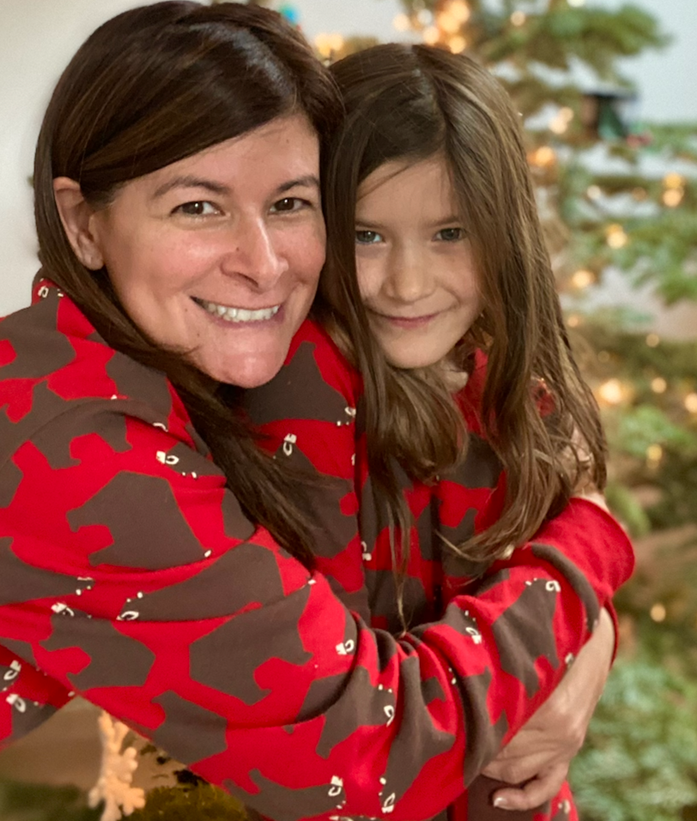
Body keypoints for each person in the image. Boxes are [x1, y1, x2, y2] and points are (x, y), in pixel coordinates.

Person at [0, 2, 633, 819]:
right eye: (197, 206)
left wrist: (590, 634)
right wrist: (591, 546)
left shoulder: (130, 359)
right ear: (83, 224)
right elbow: (368, 757)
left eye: (289, 202)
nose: (262, 264)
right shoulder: (76, 444)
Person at [241, 43, 623, 821]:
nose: (408, 283)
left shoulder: (494, 370)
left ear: (503, 231)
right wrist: (595, 545)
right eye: (368, 235)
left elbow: (551, 566)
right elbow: (367, 723)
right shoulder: (304, 384)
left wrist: (594, 640)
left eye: (450, 232)